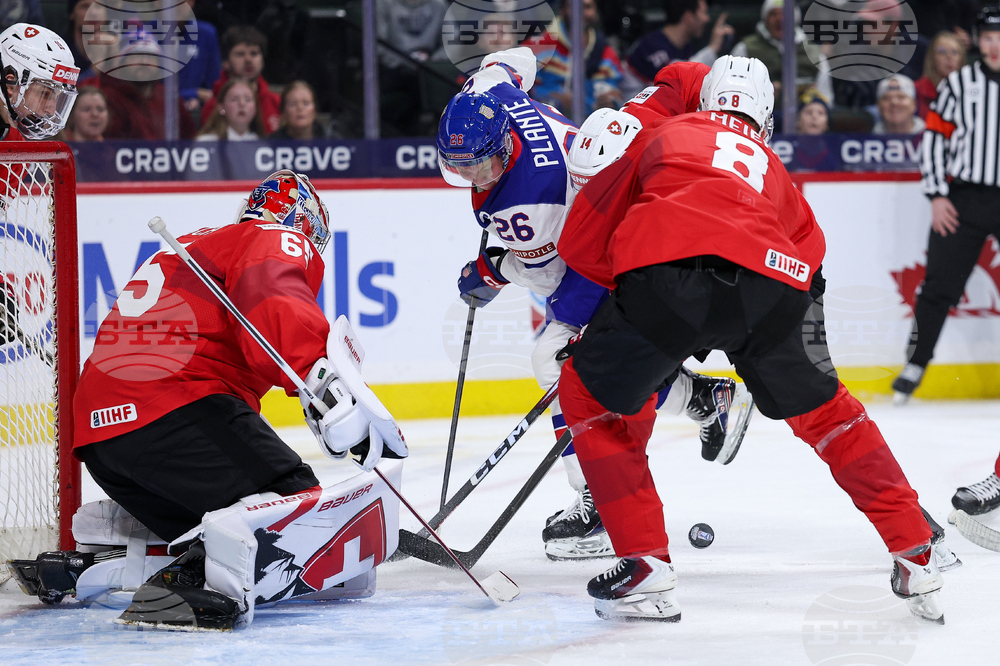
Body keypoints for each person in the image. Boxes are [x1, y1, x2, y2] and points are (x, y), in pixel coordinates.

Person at [556, 55, 948, 624]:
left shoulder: (667, 133)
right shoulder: (774, 169)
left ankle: (644, 562)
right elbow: (811, 258)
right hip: (772, 288)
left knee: (588, 398)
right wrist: (806, 356)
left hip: (665, 277)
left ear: (707, 101)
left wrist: (621, 307)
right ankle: (917, 550)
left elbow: (583, 238)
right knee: (832, 415)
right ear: (765, 119)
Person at [9, 170, 408, 631]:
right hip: (173, 411)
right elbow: (274, 298)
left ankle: (113, 555)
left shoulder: (197, 245)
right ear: (305, 224)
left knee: (225, 520)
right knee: (295, 508)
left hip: (105, 440)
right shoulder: (273, 235)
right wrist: (323, 386)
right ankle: (187, 585)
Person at [437, 47, 751, 561]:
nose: (475, 177)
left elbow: (554, 270)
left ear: (506, 146)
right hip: (605, 196)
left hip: (596, 246)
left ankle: (600, 503)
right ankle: (703, 400)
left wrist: (492, 271)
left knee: (561, 363)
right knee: (600, 362)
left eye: (484, 165)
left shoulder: (529, 202)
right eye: (460, 167)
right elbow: (519, 59)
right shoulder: (491, 88)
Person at [893, 6, 1000, 403]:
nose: (994, 46)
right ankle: (915, 364)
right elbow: (935, 139)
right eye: (987, 38)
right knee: (938, 285)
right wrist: (937, 194)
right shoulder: (959, 84)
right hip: (965, 197)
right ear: (978, 41)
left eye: (999, 38)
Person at [97, 30, 197, 140]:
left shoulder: (168, 96)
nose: (144, 62)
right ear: (122, 63)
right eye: (137, 55)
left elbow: (189, 138)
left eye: (150, 56)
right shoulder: (110, 97)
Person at [622, 0, 733, 98]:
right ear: (689, 16)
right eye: (703, 12)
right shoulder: (651, 46)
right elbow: (678, 80)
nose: (707, 19)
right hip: (631, 114)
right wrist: (713, 47)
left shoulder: (686, 44)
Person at [731, 0, 833, 106]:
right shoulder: (745, 48)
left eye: (785, 14)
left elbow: (826, 99)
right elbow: (734, 89)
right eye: (773, 14)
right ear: (765, 19)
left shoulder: (814, 53)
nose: (780, 19)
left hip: (802, 118)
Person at [531, 0, 624, 115]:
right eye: (574, 6)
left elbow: (616, 92)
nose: (580, 12)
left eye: (587, 7)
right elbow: (524, 91)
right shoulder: (538, 47)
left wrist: (610, 103)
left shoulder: (607, 54)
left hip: (592, 127)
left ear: (596, 12)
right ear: (562, 10)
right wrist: (553, 99)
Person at [0, 22, 79, 142]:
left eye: (57, 97)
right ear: (10, 83)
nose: (51, 111)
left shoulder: (14, 136)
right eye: (45, 94)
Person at [200, 25, 281, 135]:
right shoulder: (214, 106)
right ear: (225, 62)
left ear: (262, 60)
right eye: (240, 54)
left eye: (254, 53)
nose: (248, 60)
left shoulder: (276, 102)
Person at [177, 0, 222, 116]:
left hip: (199, 111)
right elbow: (146, 93)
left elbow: (215, 86)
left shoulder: (207, 33)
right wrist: (193, 93)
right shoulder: (148, 35)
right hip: (157, 113)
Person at [915, 32, 966, 120]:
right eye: (942, 52)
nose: (949, 57)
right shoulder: (915, 90)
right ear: (932, 58)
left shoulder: (970, 91)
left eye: (954, 52)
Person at [196, 77, 264, 140]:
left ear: (255, 108)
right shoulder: (206, 143)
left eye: (248, 99)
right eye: (235, 99)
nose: (242, 104)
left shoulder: (263, 146)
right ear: (221, 107)